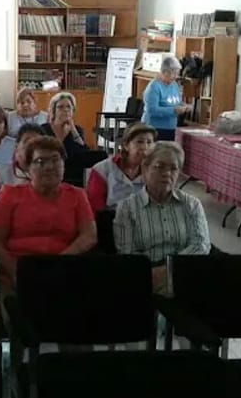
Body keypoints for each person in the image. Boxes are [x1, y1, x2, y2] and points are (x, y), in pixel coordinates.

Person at [0, 136, 96, 296]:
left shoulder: (77, 195)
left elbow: (90, 235)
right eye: (40, 161)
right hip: (17, 272)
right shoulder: (9, 195)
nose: (49, 167)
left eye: (55, 160)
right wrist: (16, 271)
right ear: (28, 169)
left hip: (65, 269)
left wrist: (60, 262)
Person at [113, 141, 210, 295]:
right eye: (160, 167)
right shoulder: (127, 208)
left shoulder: (191, 204)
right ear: (145, 169)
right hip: (145, 276)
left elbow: (200, 245)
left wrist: (169, 271)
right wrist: (151, 274)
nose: (167, 173)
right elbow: (127, 253)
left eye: (173, 168)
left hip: (185, 271)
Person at [86, 122, 157, 214]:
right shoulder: (102, 169)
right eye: (139, 142)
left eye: (149, 142)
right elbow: (95, 209)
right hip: (110, 220)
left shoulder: (154, 171)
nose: (145, 147)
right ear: (126, 145)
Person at [0, 123, 44, 202]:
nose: (31, 147)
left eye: (37, 144)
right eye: (27, 142)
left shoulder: (49, 175)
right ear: (16, 147)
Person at [140, 56, 191, 141]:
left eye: (177, 73)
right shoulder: (154, 87)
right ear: (164, 71)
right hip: (154, 129)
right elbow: (152, 110)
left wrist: (185, 106)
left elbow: (176, 102)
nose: (176, 76)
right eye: (173, 73)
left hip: (171, 128)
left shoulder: (174, 85)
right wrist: (173, 110)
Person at [41, 91, 89, 156]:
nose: (66, 110)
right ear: (54, 110)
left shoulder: (77, 129)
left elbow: (84, 152)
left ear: (73, 110)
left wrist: (73, 129)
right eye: (60, 107)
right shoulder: (43, 129)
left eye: (69, 107)